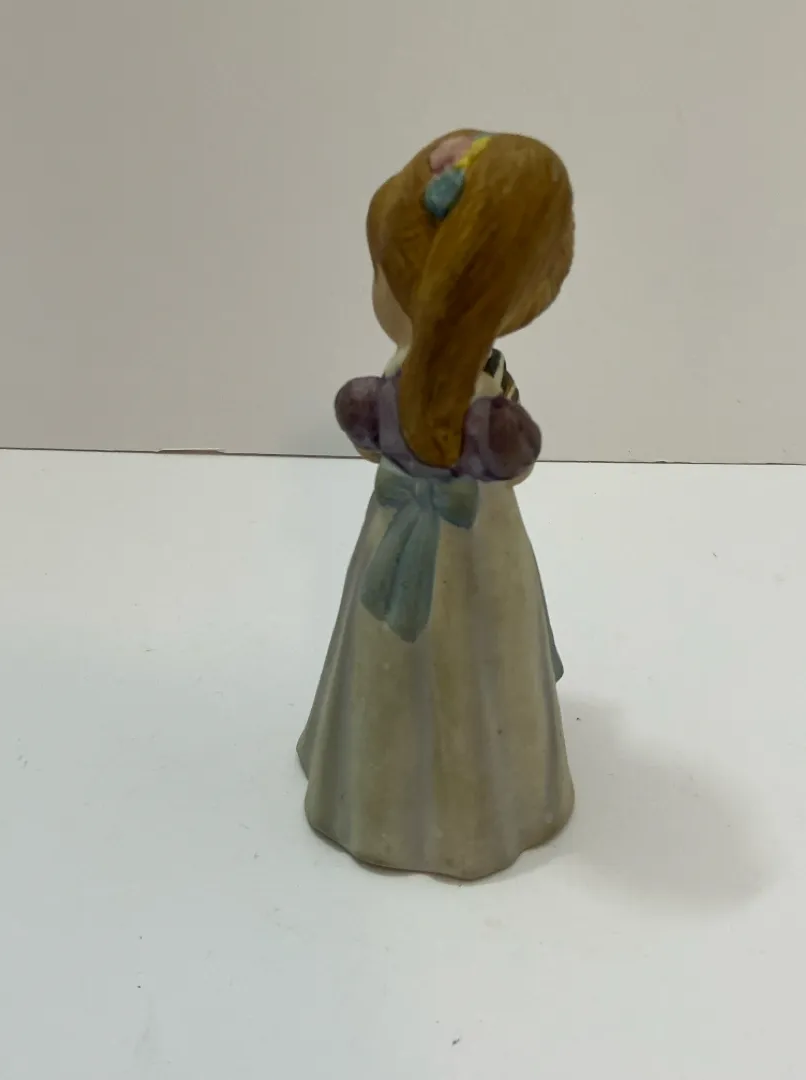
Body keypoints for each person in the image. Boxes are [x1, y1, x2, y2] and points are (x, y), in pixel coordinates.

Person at [297, 130, 575, 880]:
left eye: (379, 273)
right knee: (472, 661)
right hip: (483, 547)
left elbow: (375, 442)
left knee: (409, 667)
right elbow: (510, 466)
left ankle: (393, 801)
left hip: (411, 540)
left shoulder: (421, 388)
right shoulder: (475, 391)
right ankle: (480, 794)